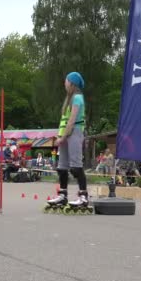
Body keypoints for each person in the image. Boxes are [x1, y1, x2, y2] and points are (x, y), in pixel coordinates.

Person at [46, 72, 89, 209]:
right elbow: (63, 122)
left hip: (74, 132)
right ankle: (63, 195)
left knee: (76, 166)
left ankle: (83, 196)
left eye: (66, 80)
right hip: (64, 134)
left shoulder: (77, 98)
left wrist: (63, 137)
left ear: (72, 83)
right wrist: (60, 136)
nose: (64, 83)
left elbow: (72, 121)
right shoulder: (68, 99)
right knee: (62, 167)